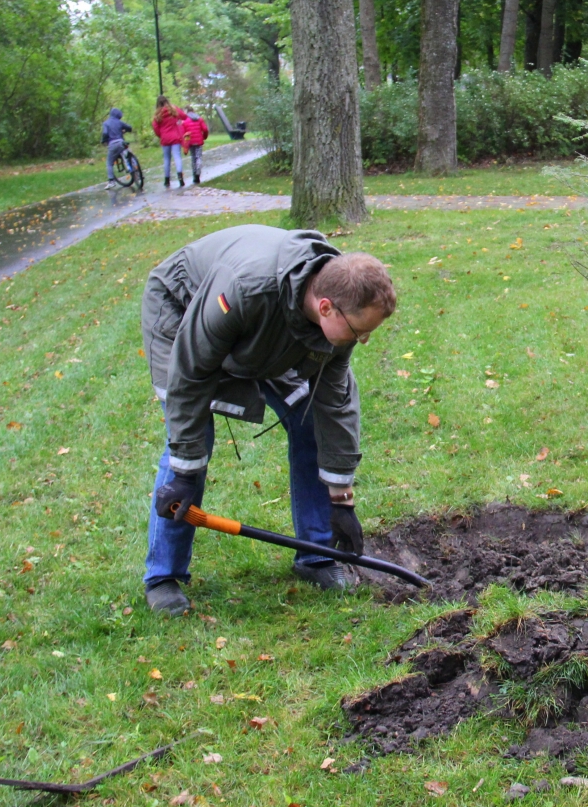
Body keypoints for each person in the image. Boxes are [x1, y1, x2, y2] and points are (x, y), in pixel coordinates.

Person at [140, 225, 397, 615]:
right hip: (184, 311)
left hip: (270, 327)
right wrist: (183, 474)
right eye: (360, 332)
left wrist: (341, 499)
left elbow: (334, 402)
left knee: (309, 420)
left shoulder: (338, 297)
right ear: (325, 307)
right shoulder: (246, 289)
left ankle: (315, 555)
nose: (363, 342)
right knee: (191, 447)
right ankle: (162, 576)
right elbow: (190, 376)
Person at [152, 96, 187, 189]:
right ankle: (180, 177)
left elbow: (155, 127)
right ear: (167, 101)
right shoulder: (174, 109)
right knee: (177, 157)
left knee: (167, 159)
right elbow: (184, 116)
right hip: (175, 137)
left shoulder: (157, 114)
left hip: (165, 139)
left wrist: (161, 135)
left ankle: (167, 180)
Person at [101, 108, 134, 188]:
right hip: (121, 142)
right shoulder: (119, 122)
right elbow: (129, 128)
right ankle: (131, 167)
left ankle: (111, 181)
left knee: (109, 163)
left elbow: (105, 133)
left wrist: (104, 141)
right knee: (125, 153)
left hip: (112, 144)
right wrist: (124, 131)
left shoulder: (106, 123)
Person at [182, 108, 210, 185]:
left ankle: (195, 175)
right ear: (193, 111)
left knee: (193, 158)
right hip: (199, 141)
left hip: (190, 142)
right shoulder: (199, 119)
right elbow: (205, 129)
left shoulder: (185, 121)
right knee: (198, 157)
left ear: (187, 112)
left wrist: (184, 144)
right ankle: (198, 171)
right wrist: (204, 136)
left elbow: (183, 133)